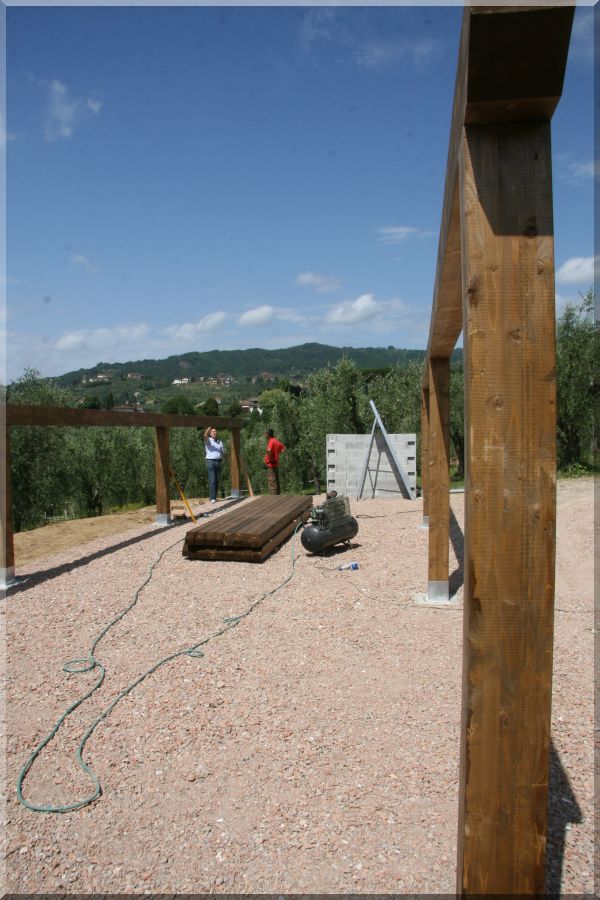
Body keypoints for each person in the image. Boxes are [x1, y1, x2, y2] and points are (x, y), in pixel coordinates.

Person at [204, 426, 225, 503]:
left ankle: (214, 497)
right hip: (211, 461)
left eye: (215, 431)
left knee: (217, 480)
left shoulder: (220, 442)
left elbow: (222, 452)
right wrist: (209, 427)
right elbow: (205, 435)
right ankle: (212, 498)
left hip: (218, 461)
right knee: (212, 480)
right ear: (210, 433)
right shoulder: (208, 440)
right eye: (212, 431)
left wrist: (226, 459)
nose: (214, 432)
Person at [264, 429, 286, 495]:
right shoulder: (276, 441)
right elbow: (283, 448)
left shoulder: (271, 442)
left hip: (271, 465)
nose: (264, 435)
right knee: (276, 482)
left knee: (272, 483)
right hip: (275, 464)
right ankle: (278, 498)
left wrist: (270, 457)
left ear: (268, 434)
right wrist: (277, 453)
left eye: (265, 433)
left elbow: (269, 450)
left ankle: (274, 500)